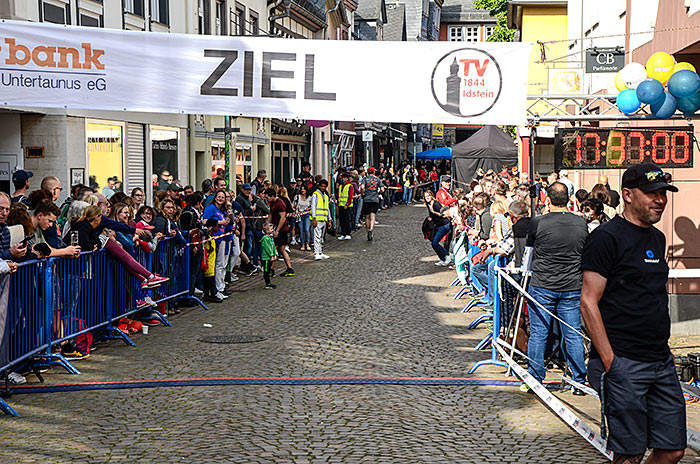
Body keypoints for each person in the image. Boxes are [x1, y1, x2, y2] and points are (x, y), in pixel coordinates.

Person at [581, 164, 685, 464]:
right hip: (623, 361)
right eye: (652, 193)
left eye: (663, 193)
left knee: (673, 449)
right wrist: (610, 361)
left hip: (659, 360)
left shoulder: (657, 238)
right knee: (629, 455)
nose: (660, 200)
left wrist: (664, 349)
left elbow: (650, 298)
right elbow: (587, 302)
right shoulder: (606, 237)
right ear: (627, 195)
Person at [522, 182, 588, 394]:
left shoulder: (538, 222)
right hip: (572, 285)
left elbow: (528, 252)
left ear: (548, 200)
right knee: (573, 333)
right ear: (568, 199)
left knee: (539, 333)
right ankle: (579, 381)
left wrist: (525, 275)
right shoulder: (581, 223)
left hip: (543, 284)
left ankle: (535, 378)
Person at [202, 190, 231, 301]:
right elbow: (205, 221)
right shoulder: (211, 208)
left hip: (221, 238)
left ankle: (220, 287)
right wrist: (220, 223)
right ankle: (215, 289)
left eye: (223, 197)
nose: (220, 199)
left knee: (221, 264)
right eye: (219, 196)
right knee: (215, 266)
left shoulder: (221, 210)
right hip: (213, 239)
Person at [264, 188, 294, 276]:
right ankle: (287, 268)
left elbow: (283, 218)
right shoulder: (272, 203)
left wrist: (277, 231)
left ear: (272, 196)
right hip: (276, 228)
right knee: (279, 248)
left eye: (267, 197)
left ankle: (272, 269)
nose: (266, 199)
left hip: (282, 229)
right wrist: (266, 224)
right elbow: (271, 214)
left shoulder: (280, 204)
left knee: (276, 248)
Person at [424, 189, 450, 266]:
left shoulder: (435, 204)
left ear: (432, 196)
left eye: (428, 196)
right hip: (437, 225)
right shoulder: (428, 204)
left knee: (435, 243)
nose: (427, 197)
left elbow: (443, 214)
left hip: (444, 225)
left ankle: (447, 254)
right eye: (426, 196)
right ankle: (442, 258)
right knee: (434, 243)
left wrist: (434, 212)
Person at [360, 167, 384, 242]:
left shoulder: (364, 179)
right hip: (375, 199)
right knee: (373, 216)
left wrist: (362, 194)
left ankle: (368, 232)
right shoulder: (377, 179)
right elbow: (382, 189)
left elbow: (362, 187)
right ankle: (371, 229)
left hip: (367, 199)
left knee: (367, 217)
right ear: (373, 172)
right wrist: (378, 193)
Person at [311, 179, 331, 260]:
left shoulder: (325, 196)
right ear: (319, 186)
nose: (323, 188)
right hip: (318, 218)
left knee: (322, 237)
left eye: (325, 187)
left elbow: (327, 208)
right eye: (322, 186)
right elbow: (313, 206)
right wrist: (314, 218)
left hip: (324, 218)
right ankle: (316, 253)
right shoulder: (315, 195)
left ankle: (320, 252)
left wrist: (329, 219)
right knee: (317, 236)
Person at [337, 172, 354, 240]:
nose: (343, 179)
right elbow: (339, 195)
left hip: (347, 206)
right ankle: (343, 233)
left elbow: (350, 196)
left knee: (347, 220)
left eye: (344, 178)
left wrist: (347, 204)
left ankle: (348, 233)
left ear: (347, 178)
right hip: (341, 205)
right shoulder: (341, 186)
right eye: (342, 178)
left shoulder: (350, 186)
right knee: (342, 220)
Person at [294, 184, 311, 251]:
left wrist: (309, 208)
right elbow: (293, 205)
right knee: (301, 230)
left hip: (307, 215)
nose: (302, 190)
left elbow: (312, 205)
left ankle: (307, 243)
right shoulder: (297, 197)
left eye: (304, 189)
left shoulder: (309, 197)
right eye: (301, 189)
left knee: (306, 229)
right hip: (299, 215)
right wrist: (295, 212)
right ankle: (302, 244)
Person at [260, 222, 278, 290]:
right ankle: (267, 283)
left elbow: (273, 247)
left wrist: (274, 253)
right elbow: (267, 248)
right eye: (271, 229)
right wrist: (271, 255)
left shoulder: (270, 238)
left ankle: (269, 283)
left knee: (268, 270)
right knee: (266, 271)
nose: (272, 230)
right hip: (266, 258)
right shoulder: (265, 239)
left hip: (270, 257)